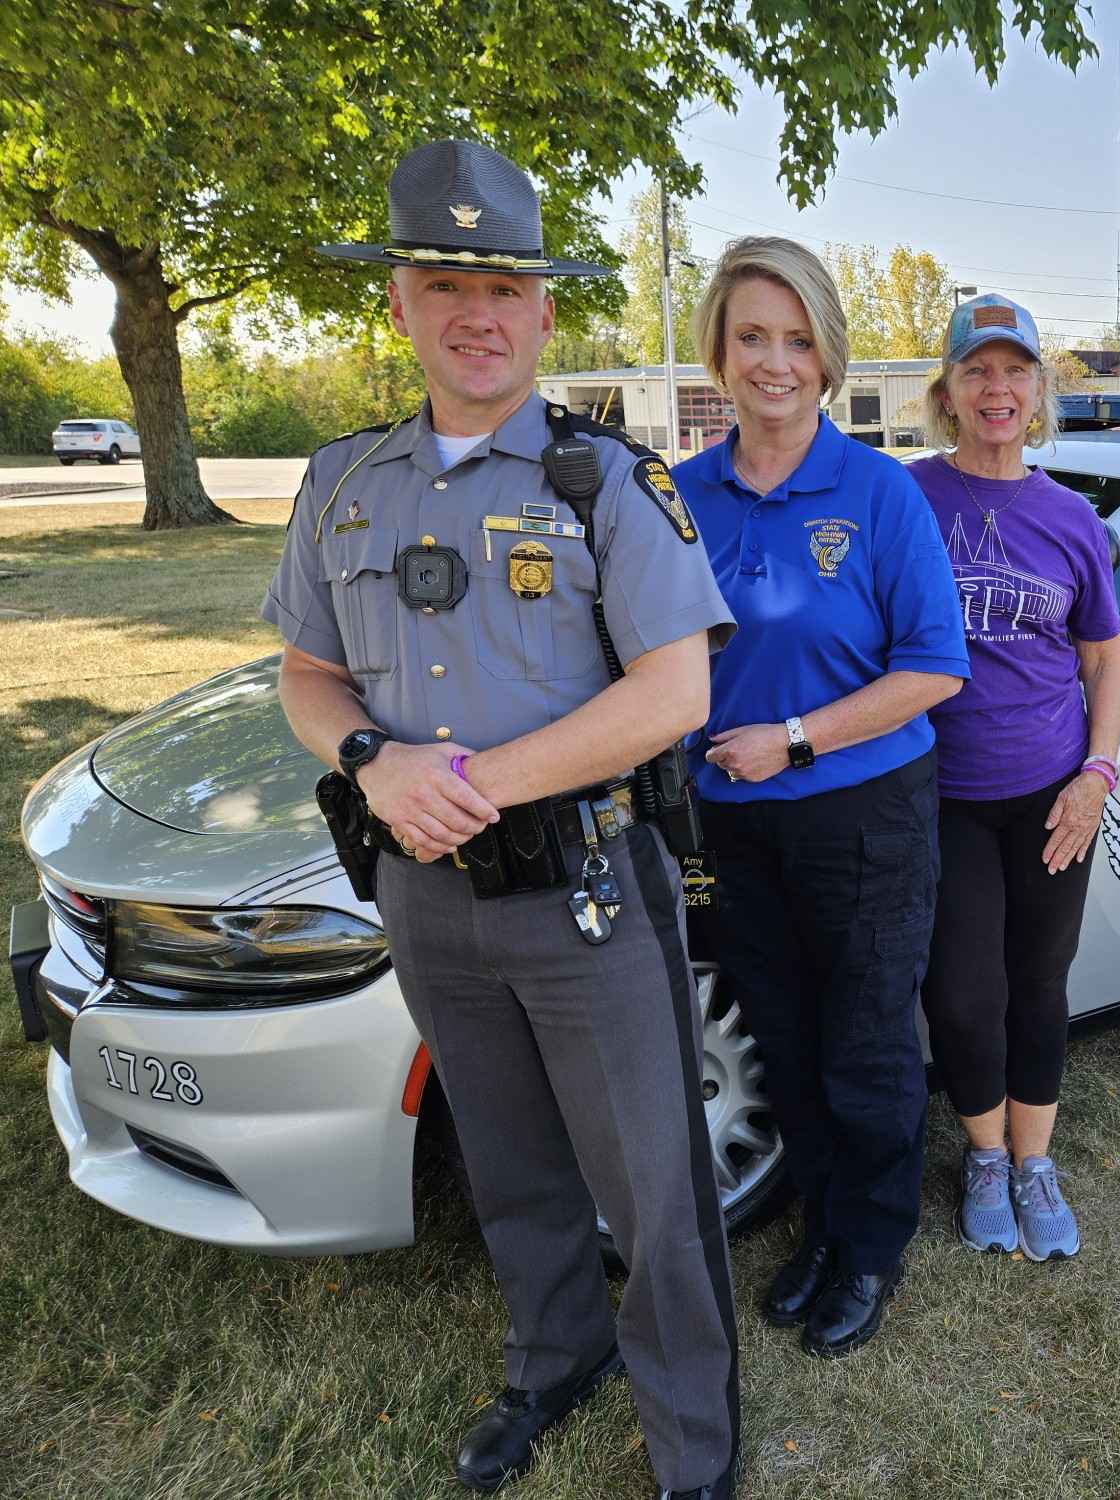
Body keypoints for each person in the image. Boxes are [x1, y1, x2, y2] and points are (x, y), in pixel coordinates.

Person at [263, 141, 739, 1500]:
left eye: (504, 285)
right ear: (399, 303)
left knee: (652, 1189)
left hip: (586, 892)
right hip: (427, 901)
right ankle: (555, 1357)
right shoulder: (343, 484)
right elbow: (306, 671)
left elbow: (675, 693)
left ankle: (694, 1448)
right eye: (443, 280)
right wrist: (369, 758)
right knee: (508, 1158)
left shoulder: (606, 482)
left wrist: (469, 785)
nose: (477, 310)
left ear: (542, 314)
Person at [673, 238, 969, 1357]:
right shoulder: (679, 495)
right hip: (730, 817)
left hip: (861, 809)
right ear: (717, 350)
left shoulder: (879, 492)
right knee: (784, 1034)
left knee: (864, 1039)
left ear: (829, 358)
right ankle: (817, 1226)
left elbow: (934, 667)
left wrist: (793, 740)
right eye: (752, 336)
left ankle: (871, 1244)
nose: (774, 362)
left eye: (797, 340)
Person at [906, 294, 1120, 1261]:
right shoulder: (905, 496)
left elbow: (1105, 658)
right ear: (947, 391)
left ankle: (1033, 1162)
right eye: (976, 371)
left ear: (1038, 391)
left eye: (1015, 371)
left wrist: (1097, 773)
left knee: (1038, 983)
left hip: (1050, 795)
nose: (997, 389)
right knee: (960, 994)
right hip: (937, 791)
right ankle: (983, 1152)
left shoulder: (1072, 516)